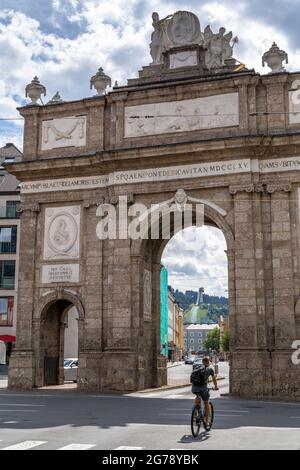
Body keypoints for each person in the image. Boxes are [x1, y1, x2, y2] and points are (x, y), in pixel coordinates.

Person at [192, 356, 219, 426]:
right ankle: (206, 421)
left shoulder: (197, 367)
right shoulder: (210, 369)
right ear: (208, 362)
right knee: (206, 402)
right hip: (203, 388)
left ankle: (195, 412)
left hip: (194, 387)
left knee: (197, 396)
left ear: (202, 362)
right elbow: (214, 379)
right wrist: (216, 387)